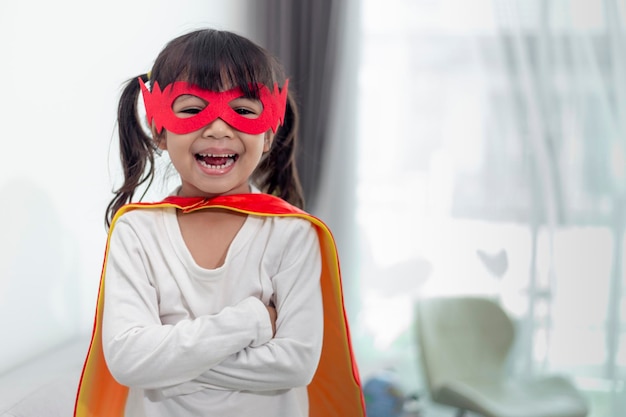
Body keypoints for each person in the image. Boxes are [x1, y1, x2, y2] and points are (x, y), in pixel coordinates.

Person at [73, 28, 365, 417]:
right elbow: (128, 360)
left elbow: (297, 363)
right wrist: (255, 319)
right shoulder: (136, 233)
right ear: (159, 130)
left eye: (243, 111)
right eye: (192, 109)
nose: (218, 128)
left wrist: (167, 365)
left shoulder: (292, 234)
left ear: (268, 133)